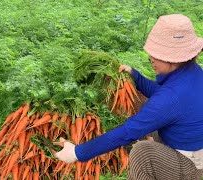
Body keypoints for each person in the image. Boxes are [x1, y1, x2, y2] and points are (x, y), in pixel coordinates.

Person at [54, 14, 203, 179]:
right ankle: (159, 147)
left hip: (192, 167)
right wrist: (136, 76)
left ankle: (160, 160)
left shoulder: (171, 97)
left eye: (156, 55)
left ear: (173, 59)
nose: (150, 59)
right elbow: (161, 94)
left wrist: (76, 153)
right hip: (192, 144)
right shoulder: (191, 73)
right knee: (145, 103)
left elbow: (128, 132)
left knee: (142, 153)